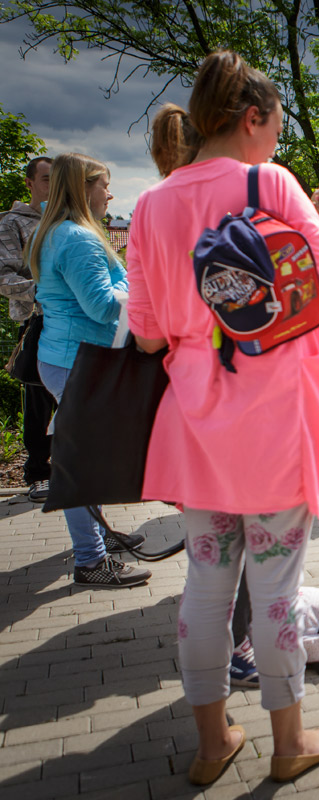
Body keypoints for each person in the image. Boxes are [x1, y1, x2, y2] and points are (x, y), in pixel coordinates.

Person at [128, 50, 319, 785]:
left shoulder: (153, 204)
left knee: (205, 587)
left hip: (197, 421)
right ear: (252, 117)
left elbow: (148, 335)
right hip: (276, 419)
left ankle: (210, 742)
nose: (280, 141)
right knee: (278, 587)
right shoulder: (270, 184)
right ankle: (289, 743)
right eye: (277, 124)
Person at [24, 152, 151, 589]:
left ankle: (101, 539)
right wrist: (139, 283)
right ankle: (91, 559)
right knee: (81, 465)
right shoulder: (77, 238)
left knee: (88, 457)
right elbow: (100, 305)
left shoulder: (56, 231)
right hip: (78, 361)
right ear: (83, 189)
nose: (109, 194)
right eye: (103, 186)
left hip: (68, 357)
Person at [0, 156, 57, 503]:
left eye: (57, 180)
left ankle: (71, 471)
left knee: (70, 399)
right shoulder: (12, 223)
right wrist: (39, 291)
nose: (52, 186)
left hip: (72, 319)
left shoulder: (64, 219)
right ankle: (38, 472)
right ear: (30, 183)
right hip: (36, 319)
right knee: (38, 401)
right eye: (46, 179)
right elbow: (3, 275)